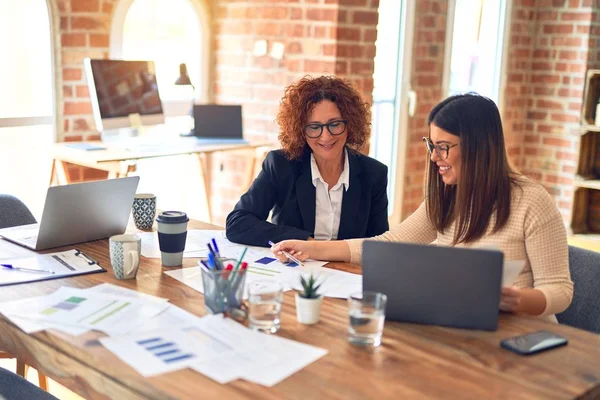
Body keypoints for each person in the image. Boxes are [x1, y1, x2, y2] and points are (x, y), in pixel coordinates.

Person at [272, 93, 573, 320]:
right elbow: (387, 245)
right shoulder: (447, 197)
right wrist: (310, 248)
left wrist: (514, 299)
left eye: (444, 147)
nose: (434, 157)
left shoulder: (532, 202)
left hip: (519, 334)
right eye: (432, 145)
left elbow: (560, 291)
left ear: (480, 147)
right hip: (462, 325)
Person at [226, 76, 389, 247]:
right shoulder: (281, 165)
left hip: (346, 271)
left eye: (334, 124)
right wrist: (304, 241)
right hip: (293, 268)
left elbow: (379, 245)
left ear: (350, 124)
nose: (325, 136)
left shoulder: (373, 174)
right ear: (300, 131)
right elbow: (237, 223)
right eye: (314, 127)